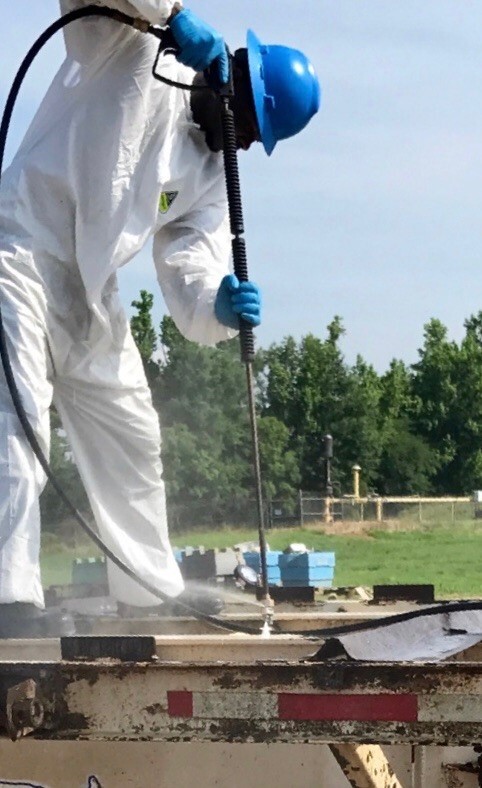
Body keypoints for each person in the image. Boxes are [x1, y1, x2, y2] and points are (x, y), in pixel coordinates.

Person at [0, 0, 320, 636]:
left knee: (134, 434)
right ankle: (8, 596)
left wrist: (218, 304)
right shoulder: (128, 43)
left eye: (253, 138)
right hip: (21, 252)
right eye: (246, 121)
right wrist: (168, 10)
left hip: (89, 290)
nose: (241, 140)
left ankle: (146, 588)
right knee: (18, 424)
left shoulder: (206, 176)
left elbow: (191, 277)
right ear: (229, 73)